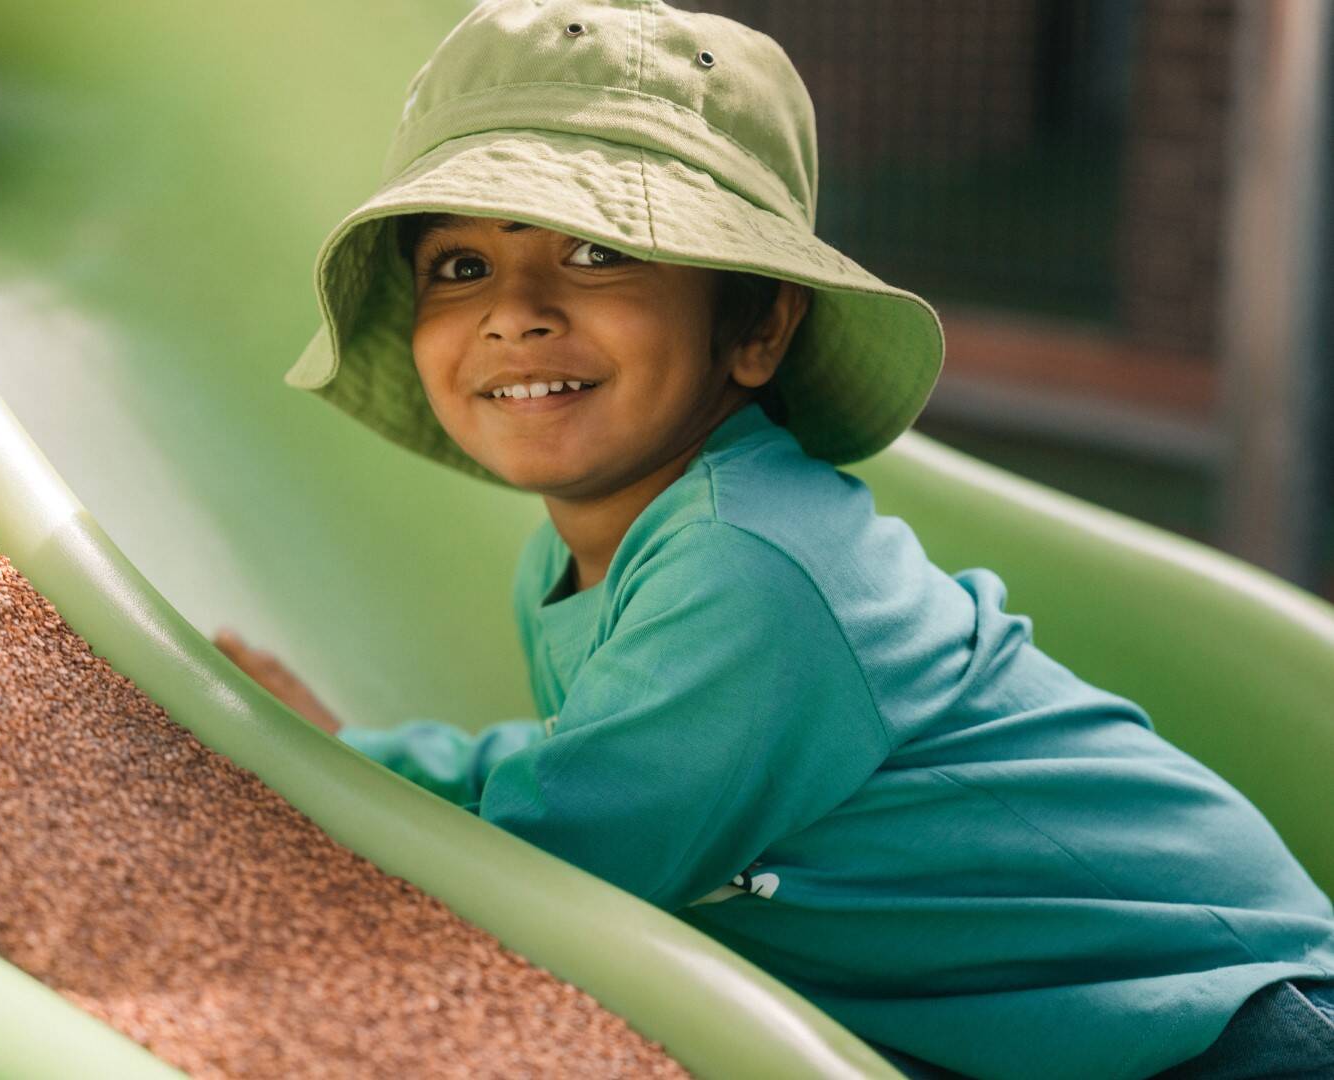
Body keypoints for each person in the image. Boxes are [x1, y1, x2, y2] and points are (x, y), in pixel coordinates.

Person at [215, 2, 1334, 1076]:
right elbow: (574, 772)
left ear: (756, 326)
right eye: (459, 268)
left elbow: (554, 861)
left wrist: (300, 784)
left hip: (1229, 1029)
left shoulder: (750, 564)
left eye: (600, 251)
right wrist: (356, 755)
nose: (516, 311)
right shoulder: (587, 557)